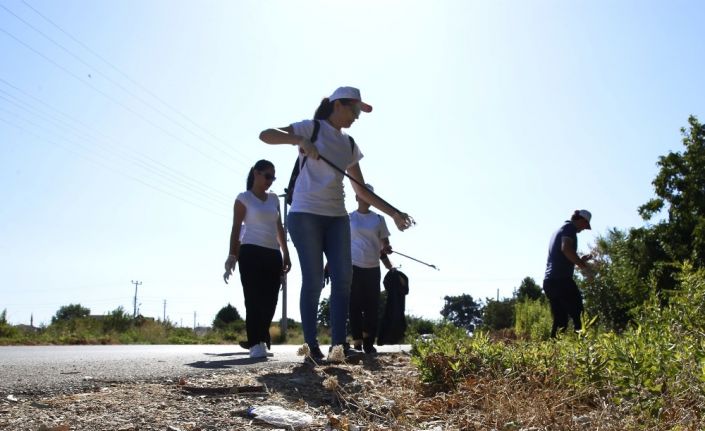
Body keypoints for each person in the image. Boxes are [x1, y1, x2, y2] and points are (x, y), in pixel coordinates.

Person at [259, 86, 413, 361]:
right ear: (338, 105)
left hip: (338, 217)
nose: (357, 116)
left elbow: (362, 191)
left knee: (344, 280)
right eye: (355, 110)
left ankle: (338, 348)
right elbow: (266, 135)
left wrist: (394, 213)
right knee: (315, 278)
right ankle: (311, 347)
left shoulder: (349, 144)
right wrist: (300, 141)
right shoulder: (311, 128)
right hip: (305, 214)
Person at [223, 160, 291, 359]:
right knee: (253, 298)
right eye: (267, 176)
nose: (270, 181)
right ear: (256, 173)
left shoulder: (273, 200)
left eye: (273, 177)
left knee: (270, 300)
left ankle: (262, 336)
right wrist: (232, 255)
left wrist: (286, 253)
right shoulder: (243, 198)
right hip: (250, 252)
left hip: (272, 253)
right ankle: (255, 342)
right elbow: (236, 228)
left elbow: (279, 227)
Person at [348, 184, 394, 354]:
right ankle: (357, 340)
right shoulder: (349, 218)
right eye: (363, 195)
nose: (366, 198)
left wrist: (387, 249)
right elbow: (342, 244)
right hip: (353, 266)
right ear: (357, 197)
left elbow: (385, 243)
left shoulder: (379, 219)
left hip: (373, 266)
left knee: (371, 306)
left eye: (370, 196)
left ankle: (369, 341)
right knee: (354, 305)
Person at [543, 209, 594, 338]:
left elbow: (563, 256)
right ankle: (583, 348)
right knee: (579, 314)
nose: (584, 229)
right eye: (585, 226)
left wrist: (580, 260)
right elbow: (566, 248)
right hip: (561, 281)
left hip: (549, 282)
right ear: (582, 220)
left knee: (561, 321)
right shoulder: (569, 228)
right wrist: (583, 267)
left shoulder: (560, 230)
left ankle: (553, 352)